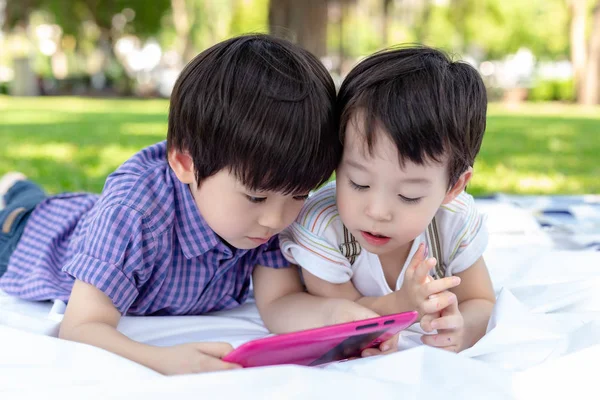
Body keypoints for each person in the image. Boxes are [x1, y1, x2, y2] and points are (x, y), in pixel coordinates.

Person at [0, 34, 389, 375]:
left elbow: (280, 302)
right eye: (255, 195)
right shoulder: (134, 213)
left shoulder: (271, 206)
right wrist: (161, 360)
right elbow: (81, 326)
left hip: (86, 213)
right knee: (20, 210)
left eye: (300, 194)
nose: (275, 219)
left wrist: (336, 319)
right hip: (23, 235)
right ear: (185, 163)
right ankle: (16, 192)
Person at [280, 45, 496, 353]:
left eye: (409, 196)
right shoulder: (323, 227)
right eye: (359, 182)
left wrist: (464, 329)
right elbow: (342, 311)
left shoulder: (454, 221)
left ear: (453, 187)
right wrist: (402, 303)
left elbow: (481, 300)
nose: (378, 211)